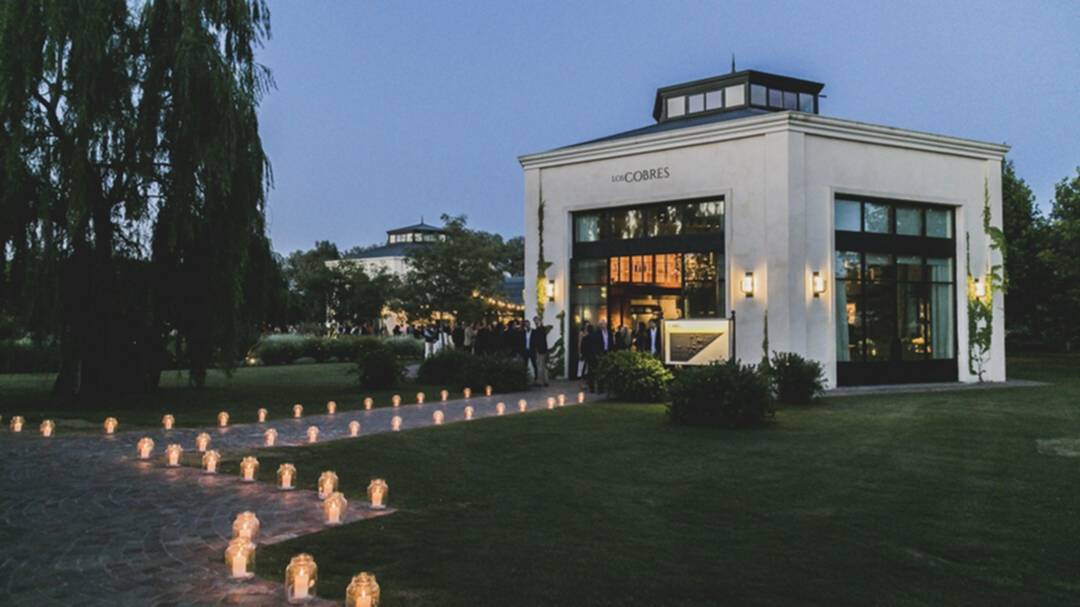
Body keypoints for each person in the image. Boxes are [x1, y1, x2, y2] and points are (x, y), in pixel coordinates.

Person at [581, 323, 603, 393]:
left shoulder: (586, 338)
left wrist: (584, 355)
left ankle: (592, 388)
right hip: (597, 356)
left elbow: (583, 348)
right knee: (598, 372)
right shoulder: (598, 337)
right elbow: (601, 345)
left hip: (589, 357)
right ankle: (600, 388)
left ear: (588, 330)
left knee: (591, 373)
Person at [530, 316, 550, 387]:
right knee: (543, 366)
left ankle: (540, 381)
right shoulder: (540, 329)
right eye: (535, 321)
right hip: (541, 350)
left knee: (540, 366)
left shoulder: (540, 329)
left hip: (541, 350)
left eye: (536, 321)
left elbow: (539, 340)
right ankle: (545, 381)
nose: (535, 322)